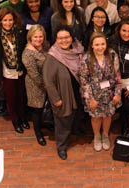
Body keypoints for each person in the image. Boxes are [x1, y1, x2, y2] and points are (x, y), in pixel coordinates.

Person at [0, 7, 29, 132]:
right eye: (5, 20)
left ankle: (22, 118)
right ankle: (15, 120)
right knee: (11, 98)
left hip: (20, 69)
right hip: (7, 71)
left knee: (21, 96)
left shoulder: (20, 32)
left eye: (10, 20)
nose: (8, 23)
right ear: (0, 21)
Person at [80, 33, 122, 152]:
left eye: (102, 44)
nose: (100, 47)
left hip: (110, 93)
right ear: (92, 46)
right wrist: (90, 99)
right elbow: (84, 80)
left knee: (108, 115)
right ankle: (97, 136)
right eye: (97, 44)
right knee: (96, 117)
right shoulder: (86, 59)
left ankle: (105, 135)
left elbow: (118, 75)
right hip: (94, 94)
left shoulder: (112, 54)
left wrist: (118, 93)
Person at [43, 27, 81, 160]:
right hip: (63, 95)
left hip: (77, 92)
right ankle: (61, 146)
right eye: (60, 38)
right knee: (63, 121)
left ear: (72, 37)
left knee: (76, 115)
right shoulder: (52, 56)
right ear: (56, 40)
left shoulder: (77, 49)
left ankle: (75, 132)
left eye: (67, 37)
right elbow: (48, 81)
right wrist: (56, 99)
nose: (64, 40)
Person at [23, 25, 49, 146]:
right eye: (35, 37)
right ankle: (38, 134)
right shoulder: (28, 53)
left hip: (47, 82)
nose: (38, 39)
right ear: (30, 37)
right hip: (36, 85)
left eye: (40, 36)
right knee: (37, 110)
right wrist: (47, 86)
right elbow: (34, 75)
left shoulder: (44, 46)